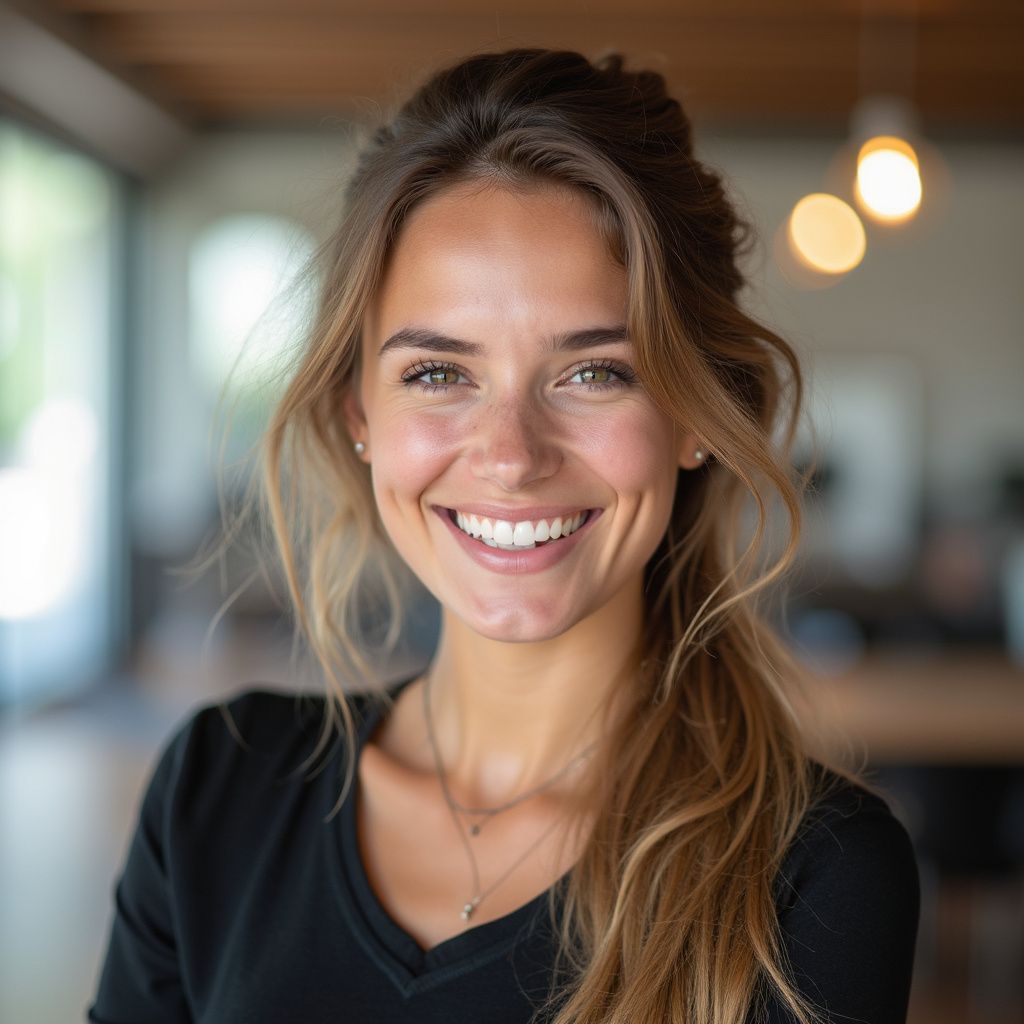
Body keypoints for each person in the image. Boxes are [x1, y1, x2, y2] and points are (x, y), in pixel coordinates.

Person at [88, 48, 919, 1024]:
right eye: (439, 373)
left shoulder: (814, 873)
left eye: (593, 372)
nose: (512, 456)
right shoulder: (216, 786)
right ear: (360, 412)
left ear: (697, 412)